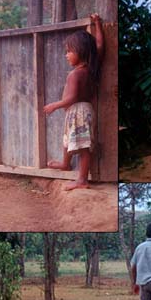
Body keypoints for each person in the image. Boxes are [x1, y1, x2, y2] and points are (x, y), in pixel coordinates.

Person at [43, 13, 104, 190]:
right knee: (68, 140)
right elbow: (100, 45)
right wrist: (98, 24)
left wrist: (55, 105)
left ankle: (82, 180)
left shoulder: (75, 74)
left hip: (79, 112)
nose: (66, 55)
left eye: (69, 51)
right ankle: (65, 164)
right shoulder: (92, 67)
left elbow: (72, 98)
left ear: (82, 52)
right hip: (77, 112)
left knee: (84, 147)